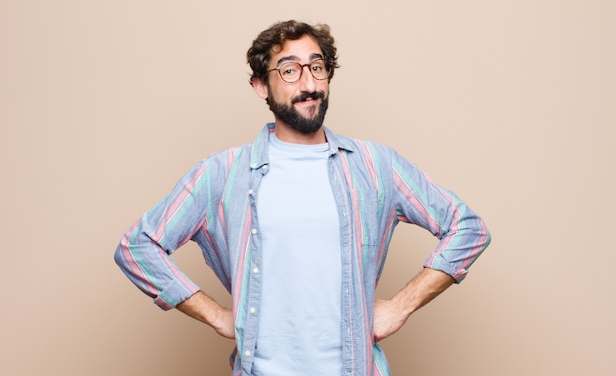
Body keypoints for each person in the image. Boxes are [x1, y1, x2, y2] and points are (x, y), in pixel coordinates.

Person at [114, 20, 491, 376]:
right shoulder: (222, 174)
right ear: (261, 85)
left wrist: (401, 306)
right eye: (290, 70)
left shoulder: (376, 166)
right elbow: (137, 248)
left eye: (317, 67)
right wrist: (215, 314)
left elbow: (467, 228)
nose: (309, 83)